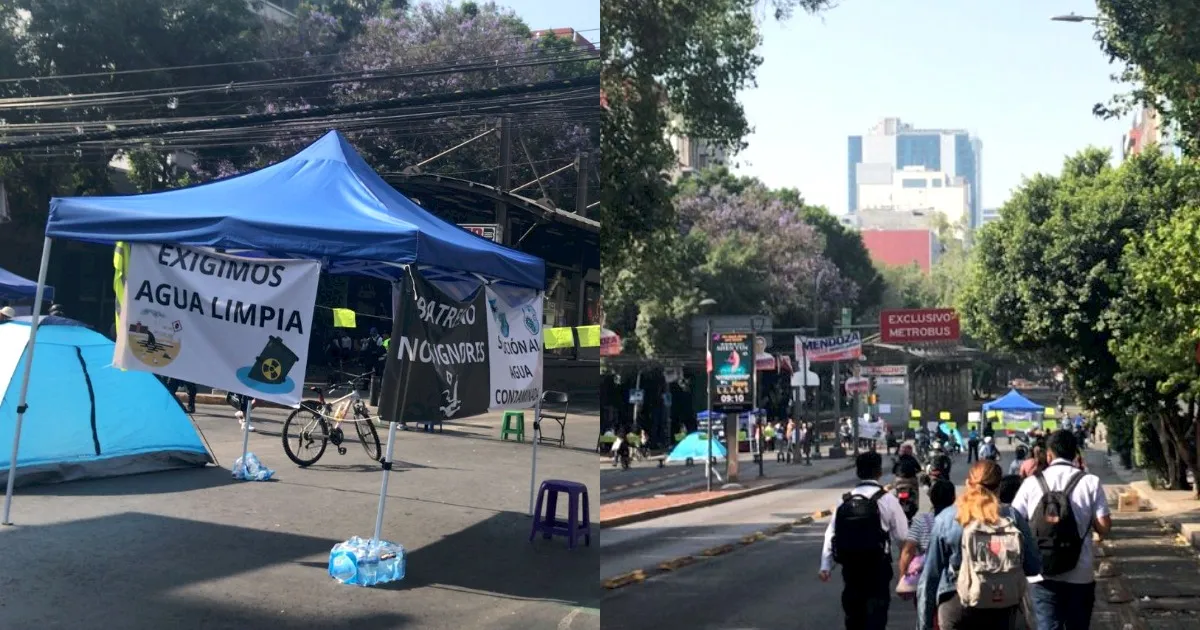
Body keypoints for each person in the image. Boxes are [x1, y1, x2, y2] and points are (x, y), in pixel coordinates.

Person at [918, 460, 1041, 630]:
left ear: (969, 484)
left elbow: (930, 577)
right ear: (998, 487)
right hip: (1001, 604)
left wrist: (924, 624)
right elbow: (1033, 567)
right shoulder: (1012, 516)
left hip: (956, 605)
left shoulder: (946, 519)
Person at [1011, 430, 1112, 630]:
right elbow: (1104, 527)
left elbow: (1013, 522)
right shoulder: (1091, 482)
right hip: (1080, 573)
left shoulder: (1031, 483)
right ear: (1076, 454)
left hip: (1041, 574)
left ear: (1049, 455)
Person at [819, 451, 909, 630]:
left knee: (853, 616)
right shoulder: (887, 499)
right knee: (876, 617)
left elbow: (831, 533)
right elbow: (902, 536)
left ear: (857, 472)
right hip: (877, 568)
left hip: (851, 568)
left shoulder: (844, 500)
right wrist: (906, 567)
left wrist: (825, 566)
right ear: (879, 472)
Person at [896, 478, 956, 603]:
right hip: (952, 580)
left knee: (924, 615)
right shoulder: (960, 520)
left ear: (931, 499)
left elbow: (907, 551)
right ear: (954, 498)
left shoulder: (921, 520)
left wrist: (903, 578)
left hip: (926, 578)